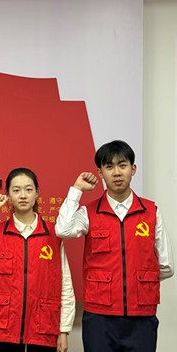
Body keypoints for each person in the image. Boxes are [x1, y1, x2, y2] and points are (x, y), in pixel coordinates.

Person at [55, 140, 175, 352]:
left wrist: (138, 283)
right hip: (99, 318)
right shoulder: (88, 213)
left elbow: (166, 266)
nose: (117, 172)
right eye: (109, 166)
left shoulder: (151, 212)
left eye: (123, 165)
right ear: (100, 173)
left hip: (141, 317)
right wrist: (76, 190)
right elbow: (63, 230)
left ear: (133, 169)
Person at [0, 167, 75, 352]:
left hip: (44, 324)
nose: (23, 195)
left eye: (28, 189)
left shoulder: (53, 234)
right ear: (8, 195)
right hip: (6, 325)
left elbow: (65, 283)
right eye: (16, 190)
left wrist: (64, 329)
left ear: (37, 193)